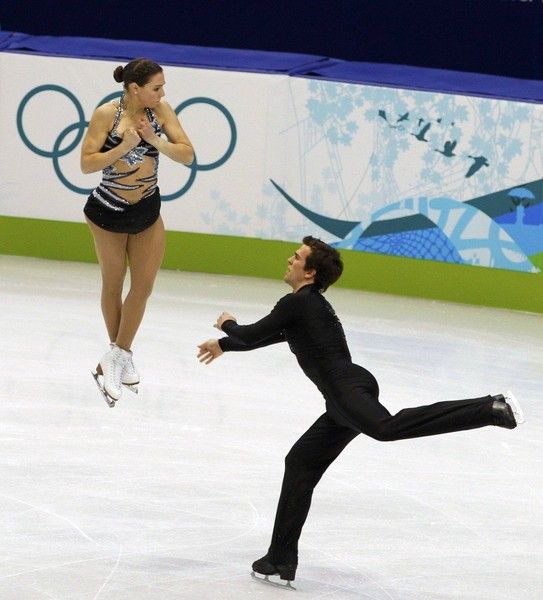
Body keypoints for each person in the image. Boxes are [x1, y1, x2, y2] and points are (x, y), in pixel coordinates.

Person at [197, 235, 524, 586]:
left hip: (345, 391)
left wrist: (227, 325)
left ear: (309, 273)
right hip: (344, 395)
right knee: (301, 462)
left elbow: (250, 333)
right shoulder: (304, 306)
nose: (289, 260)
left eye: (297, 257)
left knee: (386, 428)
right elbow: (270, 336)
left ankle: (489, 408)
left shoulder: (299, 304)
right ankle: (279, 560)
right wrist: (225, 346)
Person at [81, 57, 194, 403]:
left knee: (143, 287)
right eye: (156, 88)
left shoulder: (161, 112)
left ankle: (117, 356)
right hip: (108, 213)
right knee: (113, 285)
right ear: (134, 88)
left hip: (146, 210)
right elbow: (87, 164)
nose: (162, 93)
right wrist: (124, 147)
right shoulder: (107, 115)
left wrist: (155, 141)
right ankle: (119, 357)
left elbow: (188, 155)